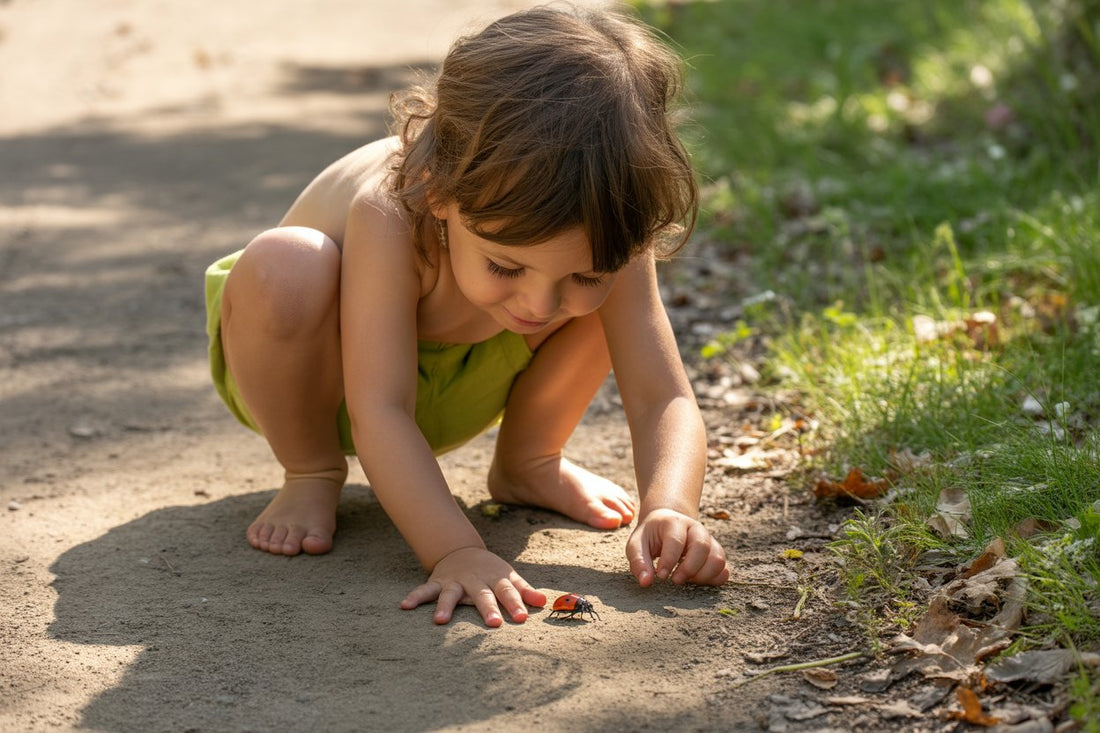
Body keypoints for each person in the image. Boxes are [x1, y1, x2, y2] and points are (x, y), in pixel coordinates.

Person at [204, 3, 730, 627]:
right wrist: (455, 551)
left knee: (599, 296)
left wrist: (671, 507)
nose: (538, 305)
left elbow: (661, 396)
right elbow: (380, 407)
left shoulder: (610, 226)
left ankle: (528, 461)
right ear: (440, 193)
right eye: (506, 267)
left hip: (462, 385)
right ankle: (310, 470)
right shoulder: (392, 207)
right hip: (316, 382)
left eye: (580, 272)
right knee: (286, 265)